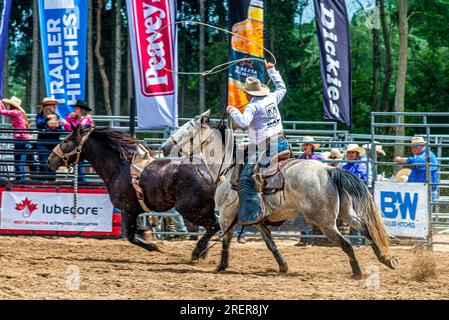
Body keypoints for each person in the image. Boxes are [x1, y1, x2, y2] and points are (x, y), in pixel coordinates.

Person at [226, 59, 288, 225]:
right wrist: (272, 70)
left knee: (246, 178)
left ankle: (253, 214)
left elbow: (244, 122)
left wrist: (232, 110)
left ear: (248, 93)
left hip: (266, 148)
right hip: (282, 142)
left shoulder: (252, 107)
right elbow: (282, 88)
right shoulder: (272, 98)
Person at [394, 136, 439, 201]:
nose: (413, 149)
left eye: (415, 147)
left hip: (425, 190)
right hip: (421, 189)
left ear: (422, 146)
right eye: (412, 147)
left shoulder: (426, 155)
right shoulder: (425, 154)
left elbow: (414, 161)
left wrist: (399, 159)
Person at [59, 100, 94, 183]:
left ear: (81, 110)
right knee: (77, 164)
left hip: (83, 145)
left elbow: (77, 130)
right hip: (76, 145)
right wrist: (68, 118)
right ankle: (77, 182)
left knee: (80, 165)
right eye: (75, 108)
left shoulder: (85, 120)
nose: (74, 110)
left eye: (76, 108)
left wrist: (65, 122)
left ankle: (82, 183)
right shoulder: (75, 119)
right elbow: (68, 127)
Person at [0, 96, 33, 181]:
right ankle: (20, 179)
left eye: (9, 104)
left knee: (18, 161)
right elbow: (4, 111)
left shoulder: (15, 112)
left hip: (20, 139)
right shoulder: (19, 112)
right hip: (23, 139)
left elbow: (2, 111)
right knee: (20, 161)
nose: (8, 106)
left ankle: (20, 179)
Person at [35, 97, 65, 181]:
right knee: (43, 163)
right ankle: (43, 183)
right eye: (53, 106)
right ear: (48, 107)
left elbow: (61, 130)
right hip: (43, 143)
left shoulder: (57, 116)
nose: (55, 108)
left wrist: (58, 126)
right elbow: (38, 125)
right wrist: (47, 118)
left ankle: (52, 183)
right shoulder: (40, 116)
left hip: (53, 143)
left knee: (53, 164)